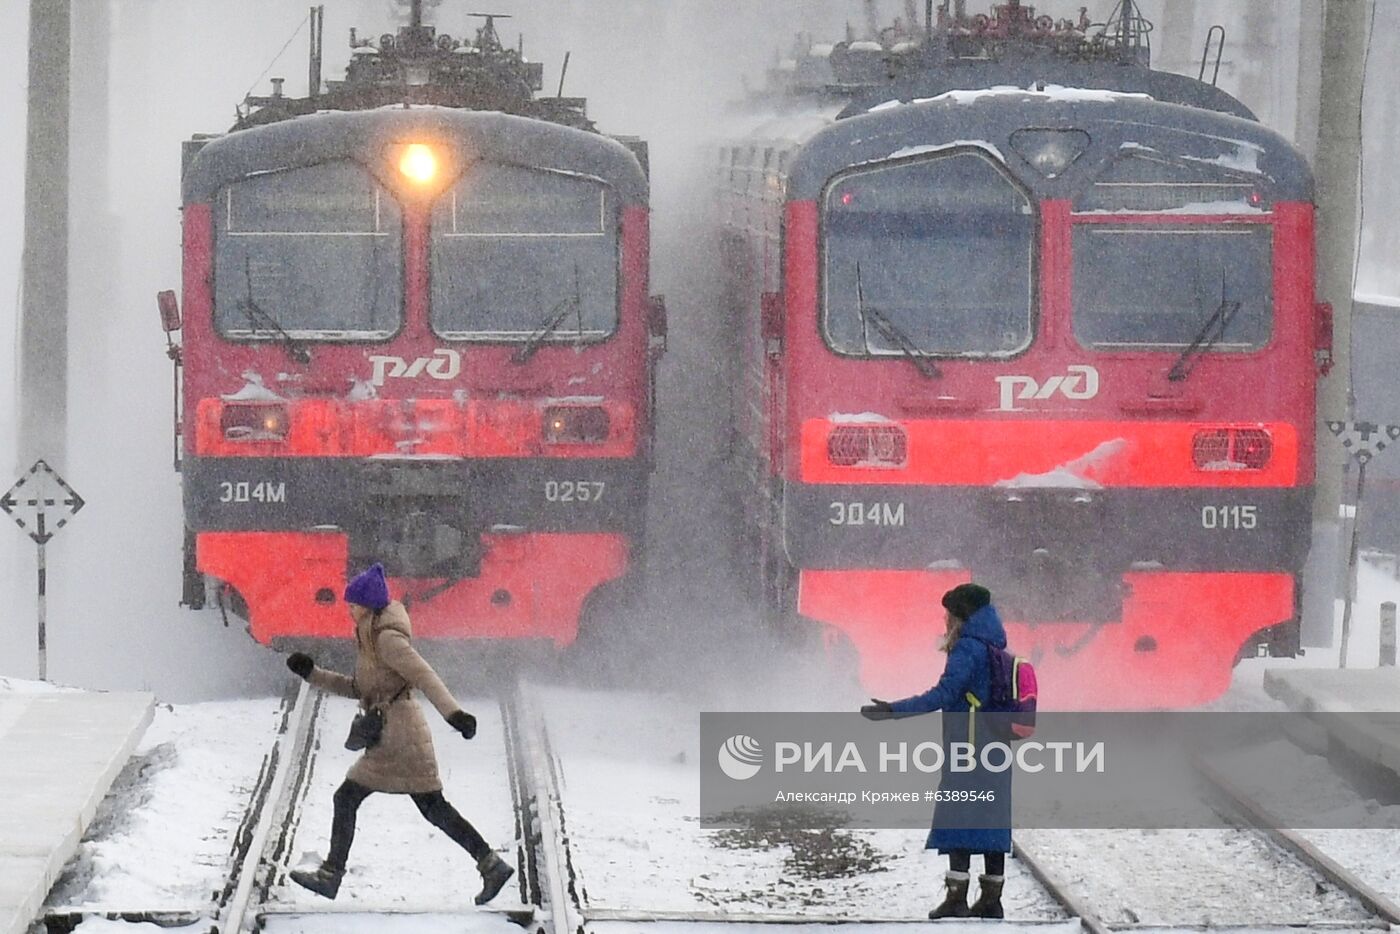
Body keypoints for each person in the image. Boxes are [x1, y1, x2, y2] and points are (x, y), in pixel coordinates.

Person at [284, 562, 515, 904]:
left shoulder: (388, 640)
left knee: (349, 798)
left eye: (353, 604)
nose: (348, 609)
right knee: (433, 808)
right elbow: (358, 687)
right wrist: (313, 674)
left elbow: (424, 676)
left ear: (366, 606)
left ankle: (331, 875)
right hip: (394, 734)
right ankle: (490, 864)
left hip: (401, 736)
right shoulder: (370, 637)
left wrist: (455, 714)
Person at [861, 583, 1011, 920]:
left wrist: (892, 711)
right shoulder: (995, 645)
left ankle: (957, 897)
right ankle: (991, 898)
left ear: (960, 616)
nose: (945, 620)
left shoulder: (968, 648)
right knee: (991, 817)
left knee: (959, 815)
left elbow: (943, 695)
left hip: (968, 746)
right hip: (995, 744)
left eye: (948, 613)